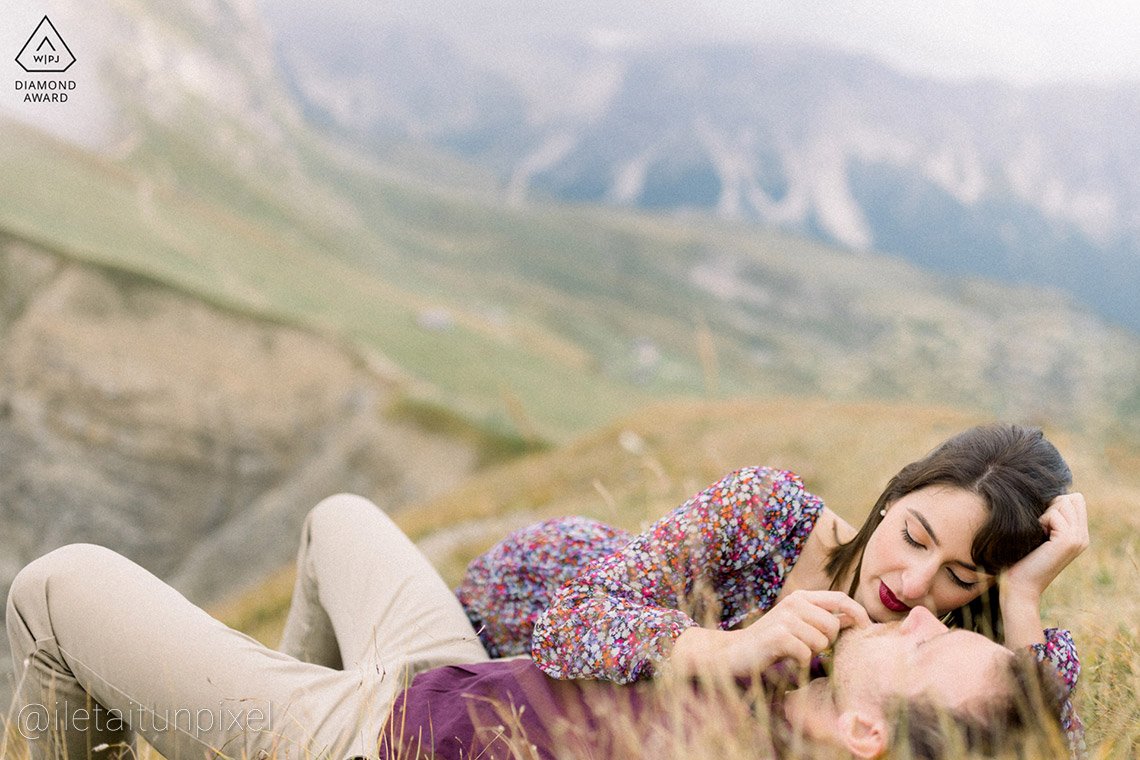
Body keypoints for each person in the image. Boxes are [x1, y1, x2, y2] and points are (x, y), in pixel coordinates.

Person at [5, 494, 1064, 760]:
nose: (924, 615)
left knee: (54, 587)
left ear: (872, 735)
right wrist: (1023, 599)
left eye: (932, 645)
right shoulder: (803, 671)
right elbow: (1041, 713)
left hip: (385, 741)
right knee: (339, 520)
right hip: (448, 678)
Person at [456, 424, 1088, 748]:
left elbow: (1045, 747)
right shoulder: (765, 510)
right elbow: (563, 624)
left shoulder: (941, 644)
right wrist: (734, 647)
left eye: (959, 575)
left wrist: (1023, 596)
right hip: (513, 610)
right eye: (913, 538)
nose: (915, 584)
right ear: (893, 497)